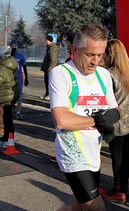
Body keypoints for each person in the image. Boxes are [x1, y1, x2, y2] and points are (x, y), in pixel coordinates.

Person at [23, 23, 119, 211]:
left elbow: (115, 108)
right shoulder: (61, 74)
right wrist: (98, 119)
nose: (95, 61)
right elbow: (61, 119)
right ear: (74, 50)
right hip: (72, 153)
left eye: (100, 54)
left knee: (79, 210)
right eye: (90, 54)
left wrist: (112, 117)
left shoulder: (103, 75)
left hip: (93, 151)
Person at [100, 39, 129, 204]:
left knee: (117, 157)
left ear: (111, 54)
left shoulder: (109, 75)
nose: (102, 56)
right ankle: (123, 186)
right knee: (125, 155)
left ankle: (118, 191)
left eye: (104, 52)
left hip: (116, 122)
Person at [49, 30, 76, 163]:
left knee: (66, 128)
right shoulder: (71, 58)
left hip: (72, 100)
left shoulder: (74, 60)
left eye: (67, 41)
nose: (65, 43)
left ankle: (65, 155)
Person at [10, 41, 28, 120]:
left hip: (19, 77)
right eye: (12, 46)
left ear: (17, 47)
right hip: (10, 78)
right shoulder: (9, 56)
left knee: (19, 95)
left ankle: (18, 112)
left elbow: (24, 67)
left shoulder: (21, 56)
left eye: (15, 46)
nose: (14, 47)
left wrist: (27, 77)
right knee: (10, 94)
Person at [40, 35, 60, 100]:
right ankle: (47, 93)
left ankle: (49, 95)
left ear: (49, 40)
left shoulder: (52, 48)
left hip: (50, 69)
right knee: (46, 81)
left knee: (49, 82)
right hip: (47, 68)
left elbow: (53, 59)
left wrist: (48, 68)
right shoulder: (49, 48)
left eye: (46, 40)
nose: (45, 41)